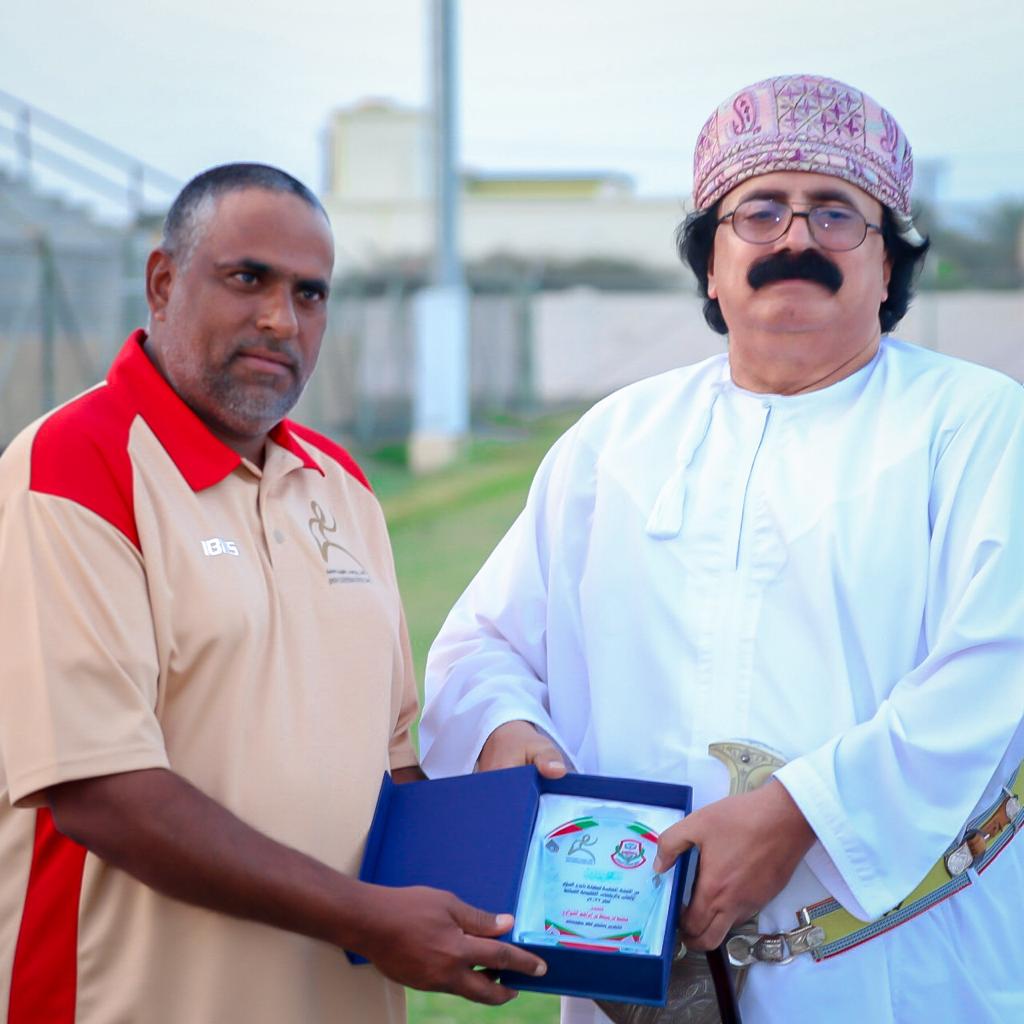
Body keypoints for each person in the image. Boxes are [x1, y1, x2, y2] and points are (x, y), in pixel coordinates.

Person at [419, 74, 1024, 1023]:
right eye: (760, 212)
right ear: (711, 262)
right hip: (636, 972)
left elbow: (995, 671)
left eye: (837, 214)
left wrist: (799, 815)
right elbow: (481, 645)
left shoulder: (979, 426)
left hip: (899, 968)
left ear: (889, 266)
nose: (795, 239)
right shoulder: (615, 440)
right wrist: (506, 731)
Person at [0, 163, 545, 1024]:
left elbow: (389, 765)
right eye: (247, 279)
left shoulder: (343, 485)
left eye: (310, 293)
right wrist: (367, 917)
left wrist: (548, 880)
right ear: (163, 282)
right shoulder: (75, 465)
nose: (280, 320)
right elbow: (104, 794)